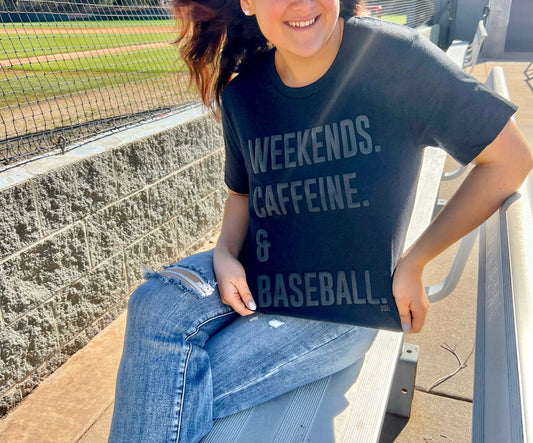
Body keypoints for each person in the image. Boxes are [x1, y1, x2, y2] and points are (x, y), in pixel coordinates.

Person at [108, 0, 533, 441]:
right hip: (259, 276)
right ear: (248, 3)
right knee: (152, 305)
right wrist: (226, 254)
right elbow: (242, 194)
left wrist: (414, 261)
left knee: (165, 390)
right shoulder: (244, 94)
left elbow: (509, 160)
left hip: (341, 307)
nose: (301, 2)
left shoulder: (392, 59)